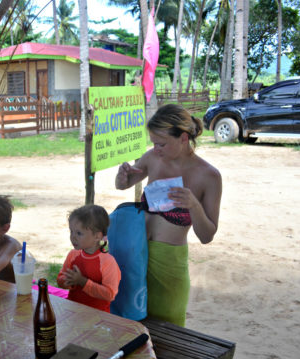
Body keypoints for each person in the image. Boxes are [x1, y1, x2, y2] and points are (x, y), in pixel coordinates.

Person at [115, 103, 222, 326]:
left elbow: (207, 236)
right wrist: (122, 178)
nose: (156, 149)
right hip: (136, 254)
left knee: (167, 336)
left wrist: (194, 206)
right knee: (130, 326)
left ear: (183, 138)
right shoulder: (153, 158)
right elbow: (122, 185)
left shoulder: (209, 176)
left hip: (169, 265)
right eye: (153, 143)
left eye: (162, 143)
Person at [56, 204, 121, 312]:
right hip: (73, 311)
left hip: (98, 317)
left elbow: (110, 294)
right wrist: (67, 281)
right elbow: (60, 278)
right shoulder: (73, 255)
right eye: (71, 231)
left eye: (79, 233)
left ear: (97, 236)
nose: (73, 237)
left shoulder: (108, 262)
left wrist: (82, 282)